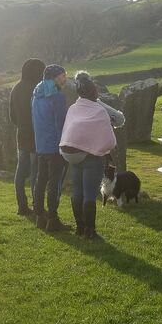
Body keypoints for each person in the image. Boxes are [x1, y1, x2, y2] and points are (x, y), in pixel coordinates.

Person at [59, 72, 125, 239]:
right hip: (91, 159)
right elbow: (110, 141)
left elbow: (70, 132)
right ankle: (90, 231)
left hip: (72, 156)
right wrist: (97, 149)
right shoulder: (99, 111)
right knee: (89, 194)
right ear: (94, 91)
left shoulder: (72, 109)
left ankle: (80, 228)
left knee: (77, 192)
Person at [31, 64, 69, 231]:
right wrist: (64, 145)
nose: (65, 78)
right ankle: (53, 220)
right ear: (54, 78)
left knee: (41, 180)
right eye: (62, 75)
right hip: (54, 145)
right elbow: (60, 123)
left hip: (40, 143)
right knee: (55, 182)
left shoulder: (36, 94)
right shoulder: (57, 97)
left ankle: (39, 216)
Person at [9, 58, 45, 216]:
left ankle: (22, 206)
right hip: (36, 134)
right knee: (36, 172)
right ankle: (37, 207)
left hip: (22, 134)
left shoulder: (15, 88)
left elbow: (12, 117)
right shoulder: (37, 89)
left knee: (21, 171)